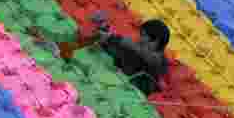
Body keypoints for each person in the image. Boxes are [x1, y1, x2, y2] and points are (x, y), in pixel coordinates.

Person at [30, 14, 170, 96]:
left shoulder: (158, 61)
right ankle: (57, 45)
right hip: (116, 72)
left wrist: (120, 41)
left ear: (155, 41)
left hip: (124, 90)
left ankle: (58, 50)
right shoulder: (145, 50)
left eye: (143, 36)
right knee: (96, 41)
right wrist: (106, 33)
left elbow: (142, 55)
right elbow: (130, 51)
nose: (140, 39)